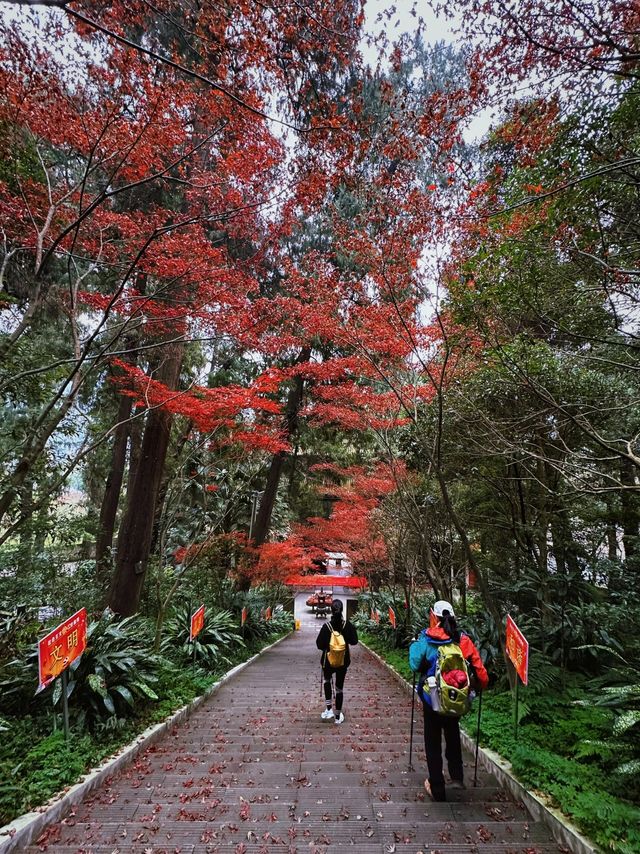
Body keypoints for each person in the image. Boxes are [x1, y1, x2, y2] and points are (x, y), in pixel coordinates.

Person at [409, 599, 489, 801]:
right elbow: (480, 672)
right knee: (452, 732)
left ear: (433, 616)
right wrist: (479, 686)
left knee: (432, 739)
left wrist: (415, 647)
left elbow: (414, 664)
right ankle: (457, 777)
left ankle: (437, 787)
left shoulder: (427, 639)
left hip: (433, 698)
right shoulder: (463, 640)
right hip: (456, 698)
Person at [316, 599, 358, 724]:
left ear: (331, 611)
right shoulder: (347, 626)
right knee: (339, 688)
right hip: (343, 661)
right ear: (342, 610)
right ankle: (338, 716)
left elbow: (319, 645)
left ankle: (328, 709)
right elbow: (355, 641)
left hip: (327, 661)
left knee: (327, 681)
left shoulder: (326, 627)